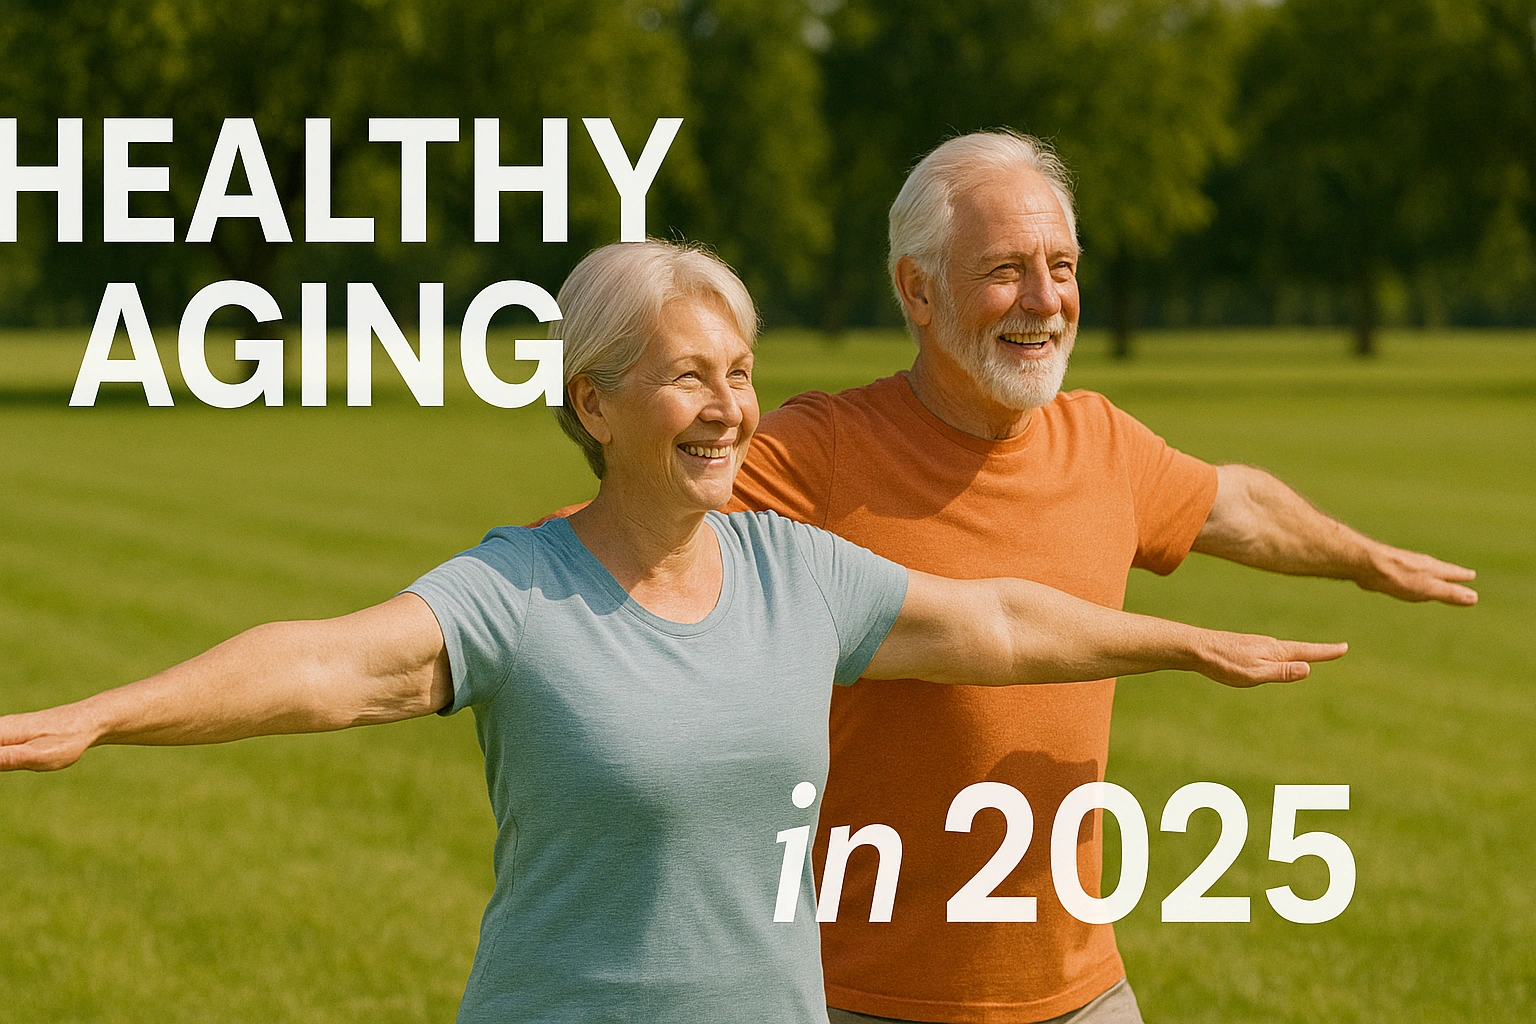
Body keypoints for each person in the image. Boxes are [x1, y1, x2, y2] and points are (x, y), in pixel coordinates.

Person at [0, 241, 1348, 1023]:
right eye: (688, 377)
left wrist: (1184, 642)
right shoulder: (520, 591)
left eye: (741, 373)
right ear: (594, 403)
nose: (729, 408)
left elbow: (994, 621)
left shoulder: (797, 575)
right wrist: (107, 715)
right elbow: (328, 665)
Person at [721, 132, 1479, 1024]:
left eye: (1063, 266)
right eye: (1006, 270)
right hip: (866, 995)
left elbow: (1232, 502)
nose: (1046, 299)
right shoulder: (821, 452)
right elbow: (647, 533)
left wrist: (1368, 560)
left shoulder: (1101, 441)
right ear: (917, 290)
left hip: (1084, 993)